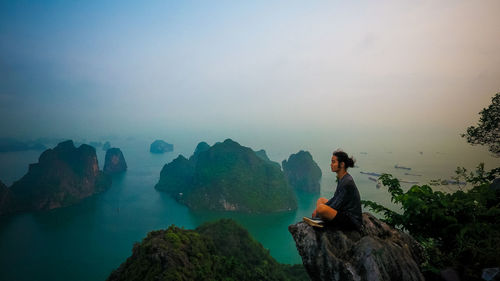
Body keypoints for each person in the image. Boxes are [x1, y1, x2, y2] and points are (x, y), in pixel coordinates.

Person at [304, 150, 362, 230]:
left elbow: (336, 204)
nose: (331, 164)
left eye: (333, 162)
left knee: (321, 208)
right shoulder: (343, 178)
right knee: (321, 200)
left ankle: (320, 221)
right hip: (343, 212)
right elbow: (336, 198)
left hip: (351, 221)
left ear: (342, 164)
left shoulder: (347, 182)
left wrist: (318, 212)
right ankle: (320, 220)